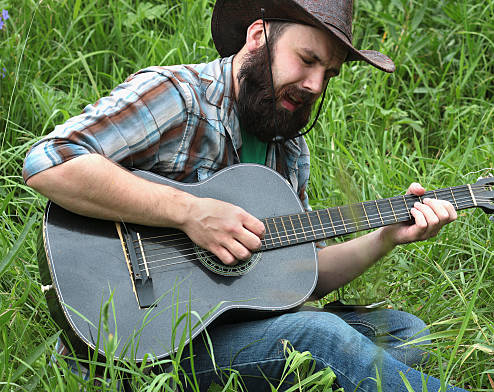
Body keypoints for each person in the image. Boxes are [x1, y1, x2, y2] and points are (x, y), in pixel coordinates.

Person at [23, 1, 468, 391]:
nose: (315, 84)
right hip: (140, 347)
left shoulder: (289, 148)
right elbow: (50, 163)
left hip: (231, 332)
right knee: (322, 337)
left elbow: (301, 276)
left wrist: (385, 237)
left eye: (327, 73)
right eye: (306, 60)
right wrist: (190, 212)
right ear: (259, 37)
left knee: (406, 333)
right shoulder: (178, 97)